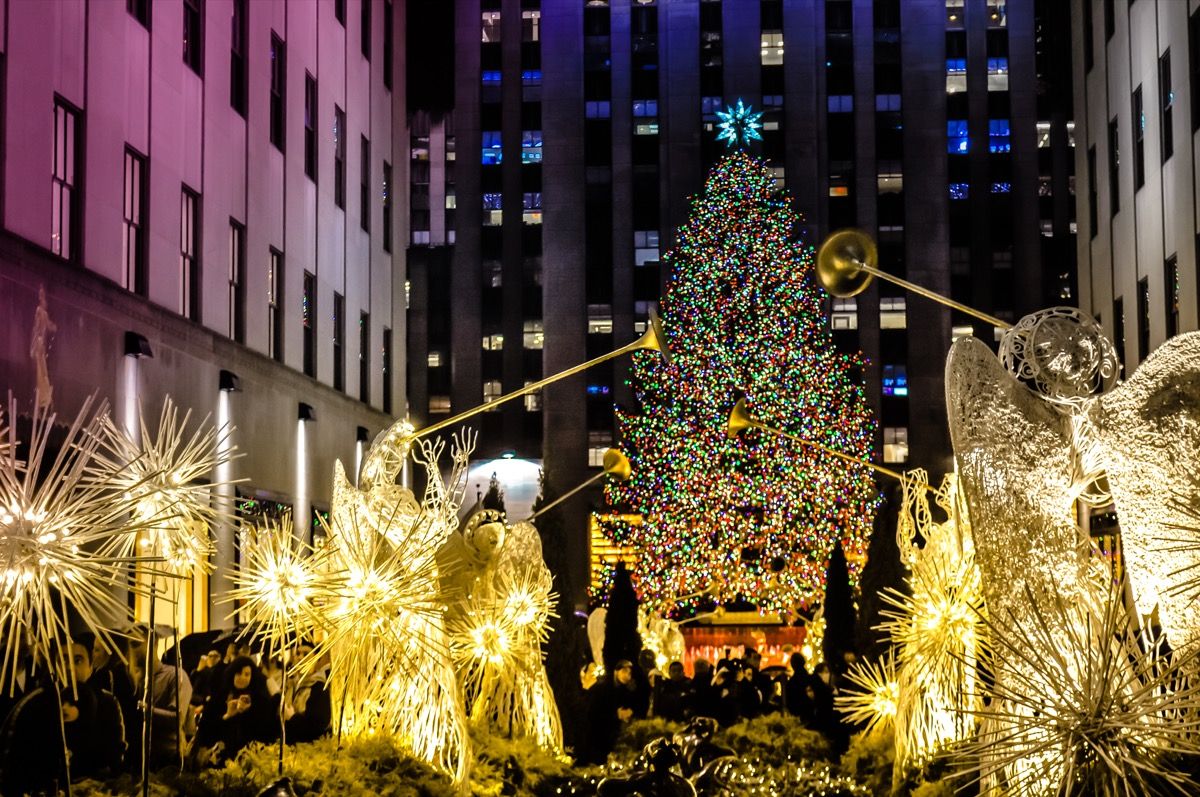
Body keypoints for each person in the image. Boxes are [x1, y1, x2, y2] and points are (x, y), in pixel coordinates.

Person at [0, 637, 125, 794]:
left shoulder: (107, 703)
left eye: (78, 660)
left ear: (90, 667)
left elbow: (115, 760)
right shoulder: (36, 704)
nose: (69, 667)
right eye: (63, 660)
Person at [127, 628, 194, 773]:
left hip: (169, 761)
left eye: (136, 644)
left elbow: (177, 718)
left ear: (154, 643)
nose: (132, 651)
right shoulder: (134, 682)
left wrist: (146, 710)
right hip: (139, 761)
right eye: (130, 645)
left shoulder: (175, 676)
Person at [193, 655, 277, 765]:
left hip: (249, 760)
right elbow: (206, 728)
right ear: (232, 674)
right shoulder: (220, 696)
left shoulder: (259, 699)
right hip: (218, 759)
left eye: (247, 674)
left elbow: (265, 730)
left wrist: (248, 713)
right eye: (238, 673)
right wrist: (227, 716)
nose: (242, 677)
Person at [284, 643, 331, 744]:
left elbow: (317, 726)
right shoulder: (291, 685)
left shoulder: (318, 688)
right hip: (288, 750)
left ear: (315, 660)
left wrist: (293, 718)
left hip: (308, 752)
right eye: (298, 653)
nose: (300, 657)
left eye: (305, 654)